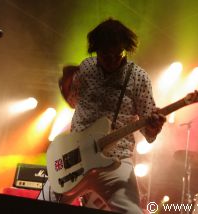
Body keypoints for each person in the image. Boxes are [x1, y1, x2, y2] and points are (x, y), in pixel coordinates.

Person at [38, 18, 166, 214]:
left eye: (118, 54)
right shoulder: (86, 67)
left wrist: (154, 127)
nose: (112, 59)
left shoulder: (139, 77)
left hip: (114, 162)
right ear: (95, 49)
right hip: (75, 157)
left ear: (126, 49)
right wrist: (65, 84)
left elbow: (148, 132)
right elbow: (74, 101)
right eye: (105, 54)